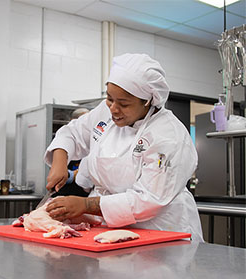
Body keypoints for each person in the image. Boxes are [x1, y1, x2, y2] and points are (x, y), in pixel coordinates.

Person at [44, 53, 203, 241]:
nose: (113, 109)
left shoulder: (168, 136)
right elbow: (72, 133)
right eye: (109, 99)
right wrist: (59, 162)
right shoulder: (107, 112)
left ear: (148, 100)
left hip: (162, 231)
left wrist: (87, 205)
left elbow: (149, 200)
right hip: (110, 228)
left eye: (123, 103)